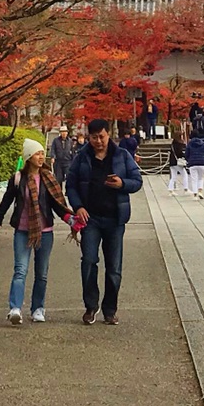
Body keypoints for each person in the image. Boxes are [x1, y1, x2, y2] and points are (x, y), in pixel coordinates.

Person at [64, 118, 142, 325]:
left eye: (102, 137)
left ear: (109, 135)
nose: (98, 141)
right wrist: (78, 206)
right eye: (94, 137)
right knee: (89, 261)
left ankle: (110, 309)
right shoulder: (81, 158)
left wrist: (122, 183)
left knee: (114, 267)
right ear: (88, 137)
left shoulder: (122, 156)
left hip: (115, 219)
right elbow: (70, 185)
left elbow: (137, 181)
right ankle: (91, 306)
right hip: (90, 218)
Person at [0, 140, 71, 324]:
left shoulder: (48, 178)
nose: (41, 157)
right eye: (37, 153)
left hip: (45, 231)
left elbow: (57, 205)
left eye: (43, 153)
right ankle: (15, 308)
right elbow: (5, 202)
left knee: (41, 273)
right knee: (20, 270)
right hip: (22, 230)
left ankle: (38, 308)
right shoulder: (18, 179)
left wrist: (70, 219)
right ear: (28, 157)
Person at [184, 127, 204, 198]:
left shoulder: (189, 144)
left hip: (192, 163)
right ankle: (200, 191)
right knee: (201, 178)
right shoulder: (203, 144)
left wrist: (188, 160)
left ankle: (195, 194)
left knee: (194, 179)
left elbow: (186, 154)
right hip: (202, 163)